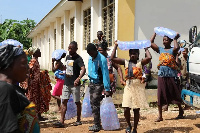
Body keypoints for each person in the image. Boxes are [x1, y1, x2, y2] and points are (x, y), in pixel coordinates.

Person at [111, 41, 151, 133]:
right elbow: (112, 58)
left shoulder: (140, 63)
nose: (133, 55)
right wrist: (116, 46)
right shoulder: (125, 62)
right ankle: (129, 125)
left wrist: (145, 47)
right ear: (129, 54)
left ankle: (135, 128)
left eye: (135, 54)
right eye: (131, 53)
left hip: (138, 87)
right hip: (128, 87)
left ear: (138, 55)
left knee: (136, 109)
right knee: (126, 108)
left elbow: (149, 57)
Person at [0, 44, 40, 132]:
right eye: (24, 63)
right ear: (9, 65)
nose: (27, 68)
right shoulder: (4, 89)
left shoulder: (12, 88)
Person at [150, 32, 184, 122]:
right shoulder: (160, 49)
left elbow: (177, 47)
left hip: (171, 75)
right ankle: (160, 116)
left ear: (170, 41)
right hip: (161, 75)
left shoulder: (173, 50)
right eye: (163, 40)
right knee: (160, 94)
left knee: (175, 93)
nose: (164, 41)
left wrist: (175, 38)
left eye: (166, 40)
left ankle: (181, 111)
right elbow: (150, 42)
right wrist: (155, 32)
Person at [55, 41, 86, 128]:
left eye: (71, 48)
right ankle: (62, 121)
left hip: (75, 85)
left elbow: (83, 69)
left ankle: (78, 120)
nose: (69, 49)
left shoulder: (78, 58)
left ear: (76, 49)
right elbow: (68, 68)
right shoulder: (68, 57)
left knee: (77, 102)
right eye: (69, 48)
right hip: (66, 83)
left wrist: (78, 78)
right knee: (64, 101)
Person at [86, 43, 111, 132]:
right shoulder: (90, 57)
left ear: (95, 50)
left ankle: (97, 125)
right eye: (89, 53)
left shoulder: (102, 59)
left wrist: (107, 88)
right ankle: (97, 122)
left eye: (92, 53)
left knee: (95, 103)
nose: (90, 55)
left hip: (98, 83)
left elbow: (105, 74)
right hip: (92, 83)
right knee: (93, 104)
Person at [27, 47, 52, 121]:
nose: (40, 52)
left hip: (37, 84)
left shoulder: (36, 61)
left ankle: (38, 115)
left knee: (38, 99)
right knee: (34, 99)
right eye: (39, 51)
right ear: (35, 53)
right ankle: (33, 116)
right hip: (33, 85)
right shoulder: (33, 61)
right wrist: (29, 83)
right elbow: (29, 72)